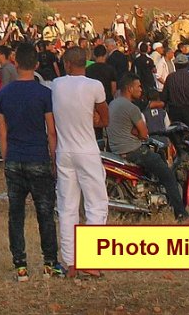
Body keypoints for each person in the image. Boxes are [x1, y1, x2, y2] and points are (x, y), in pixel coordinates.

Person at [0, 41, 64, 282]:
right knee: (45, 212)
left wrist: (6, 158)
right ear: (35, 64)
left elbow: (2, 132)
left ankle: (20, 266)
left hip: (14, 157)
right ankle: (49, 264)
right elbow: (51, 130)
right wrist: (53, 157)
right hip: (38, 157)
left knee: (16, 214)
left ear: (15, 62)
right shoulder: (45, 93)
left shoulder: (3, 94)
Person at [50, 46, 108, 278]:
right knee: (96, 205)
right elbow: (105, 119)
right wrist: (91, 119)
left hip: (64, 151)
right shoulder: (95, 86)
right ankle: (91, 259)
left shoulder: (56, 85)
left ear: (67, 64)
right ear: (86, 63)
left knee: (67, 206)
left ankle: (70, 261)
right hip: (87, 150)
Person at [107, 73, 189, 222]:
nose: (141, 90)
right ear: (130, 88)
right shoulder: (131, 108)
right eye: (138, 86)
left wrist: (134, 131)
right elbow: (144, 134)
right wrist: (138, 133)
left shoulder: (113, 104)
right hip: (134, 151)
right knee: (168, 174)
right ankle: (181, 214)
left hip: (117, 150)